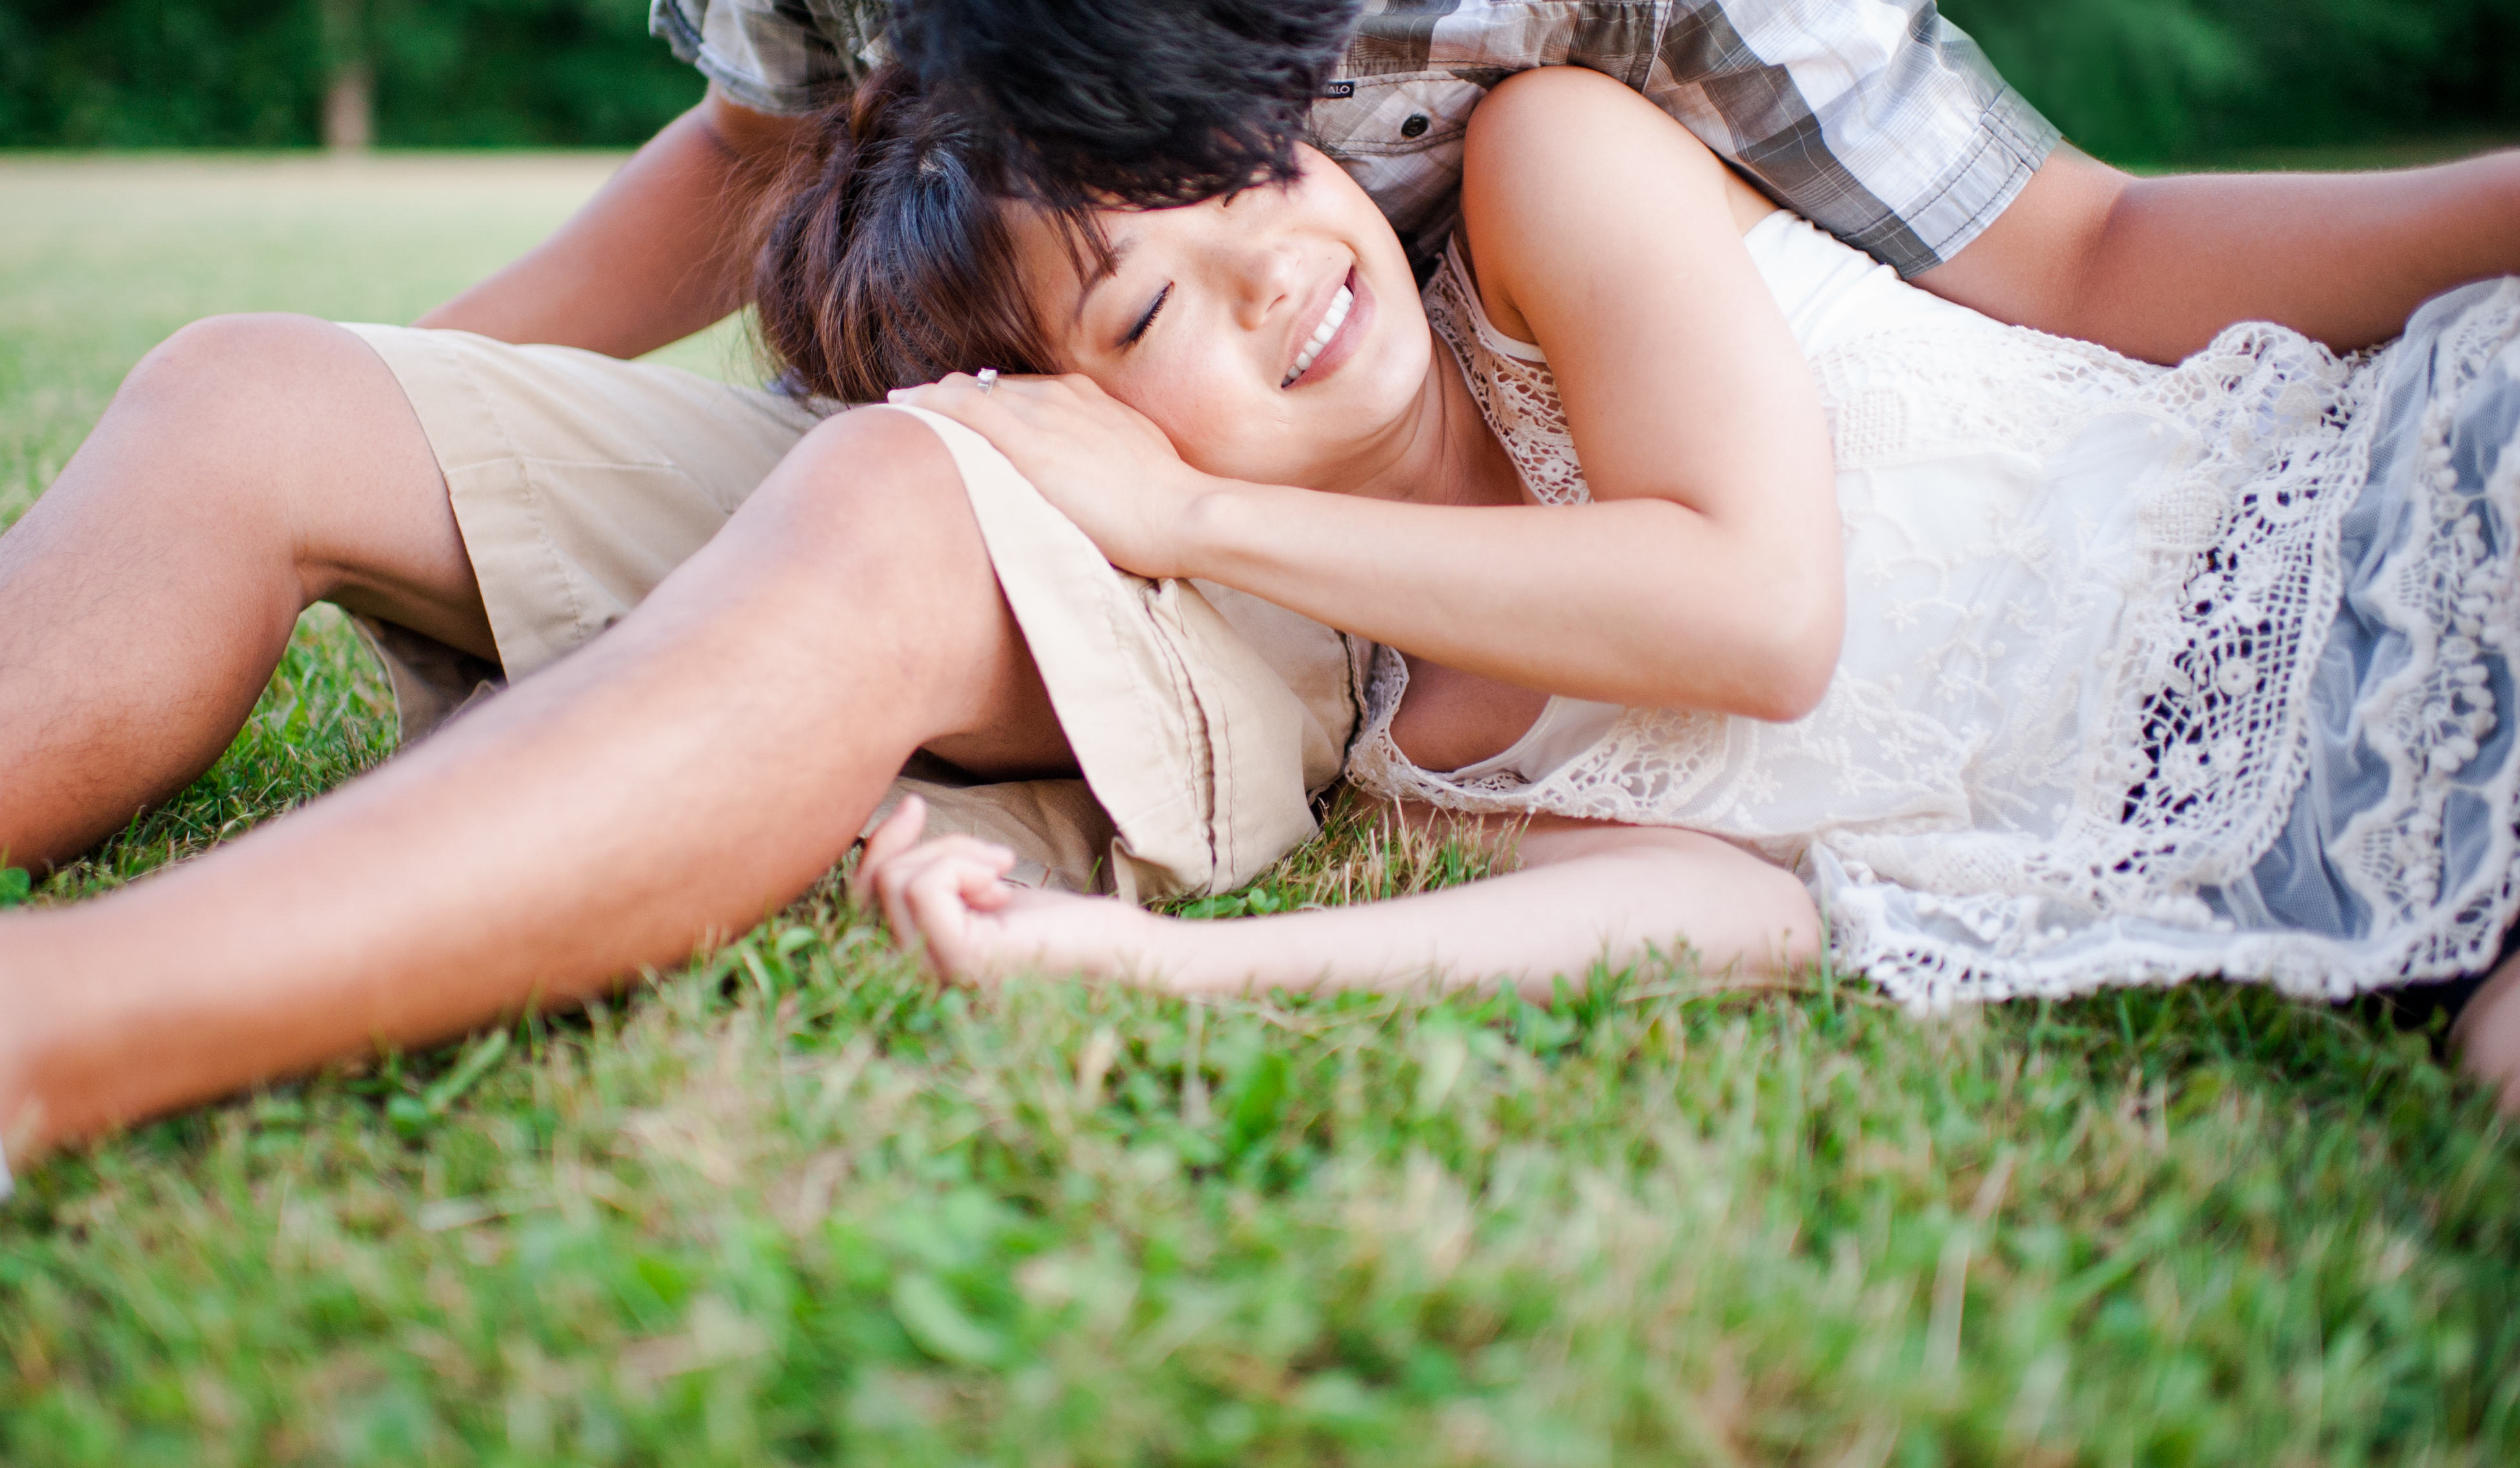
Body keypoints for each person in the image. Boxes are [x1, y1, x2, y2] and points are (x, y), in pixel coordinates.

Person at [0, 0, 2516, 1240]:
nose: (1242, 223)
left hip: (1389, 552)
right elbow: (739, 158)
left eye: (1238, 146)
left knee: (882, 504)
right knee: (251, 395)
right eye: (1125, 212)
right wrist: (457, 444)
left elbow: (2072, 260)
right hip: (1157, 482)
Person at [805, 62, 2520, 1096]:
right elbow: (1753, 915)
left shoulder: (1548, 175)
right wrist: (1150, 967)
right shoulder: (1411, 753)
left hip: (2408, 509)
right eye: (1147, 308)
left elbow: (1755, 624)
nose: (1263, 263)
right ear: (1070, 425)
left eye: (1232, 169)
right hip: (2318, 855)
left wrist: (1197, 520)